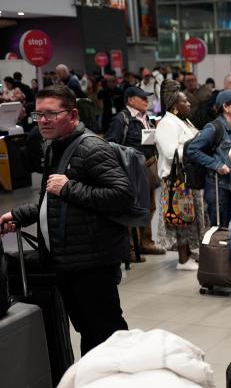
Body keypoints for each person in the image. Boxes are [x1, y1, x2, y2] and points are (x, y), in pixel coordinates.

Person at [0, 85, 132, 355]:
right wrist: (18, 215)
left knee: (106, 332)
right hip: (68, 261)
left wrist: (69, 187)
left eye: (51, 114)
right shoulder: (55, 148)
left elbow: (122, 195)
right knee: (87, 329)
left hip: (92, 262)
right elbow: (51, 201)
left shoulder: (92, 148)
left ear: (72, 115)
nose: (43, 121)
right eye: (38, 115)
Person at [105, 86, 165, 259]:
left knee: (149, 207)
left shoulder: (147, 117)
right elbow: (111, 144)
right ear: (130, 100)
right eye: (142, 98)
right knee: (132, 209)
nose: (146, 101)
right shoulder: (121, 119)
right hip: (130, 170)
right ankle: (130, 248)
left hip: (148, 168)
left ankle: (145, 242)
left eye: (147, 98)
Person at [155, 81, 205, 271]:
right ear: (175, 106)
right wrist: (195, 147)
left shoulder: (183, 120)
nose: (189, 104)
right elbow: (170, 153)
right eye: (185, 102)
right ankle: (183, 260)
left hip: (187, 177)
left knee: (190, 217)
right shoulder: (167, 123)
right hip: (176, 179)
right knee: (181, 218)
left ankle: (189, 252)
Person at [188, 90, 231, 227]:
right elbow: (192, 149)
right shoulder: (214, 127)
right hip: (220, 186)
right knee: (220, 230)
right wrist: (216, 164)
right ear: (225, 107)